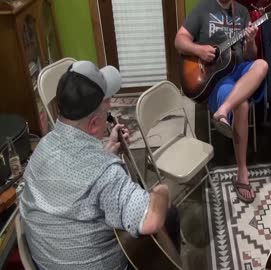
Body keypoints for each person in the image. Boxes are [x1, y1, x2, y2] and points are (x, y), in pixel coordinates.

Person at [19, 61, 178, 269]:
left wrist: (108, 150)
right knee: (170, 214)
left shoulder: (42, 147)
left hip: (48, 261)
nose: (110, 107)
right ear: (94, 124)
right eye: (107, 104)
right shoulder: (106, 175)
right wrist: (162, 190)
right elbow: (152, 218)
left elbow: (78, 178)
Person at [175, 0, 268, 203]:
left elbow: (249, 55)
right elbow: (179, 40)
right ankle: (242, 171)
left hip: (239, 70)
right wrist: (199, 51)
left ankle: (223, 110)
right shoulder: (202, 8)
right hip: (217, 77)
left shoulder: (242, 13)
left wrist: (251, 41)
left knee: (261, 64)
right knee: (242, 104)